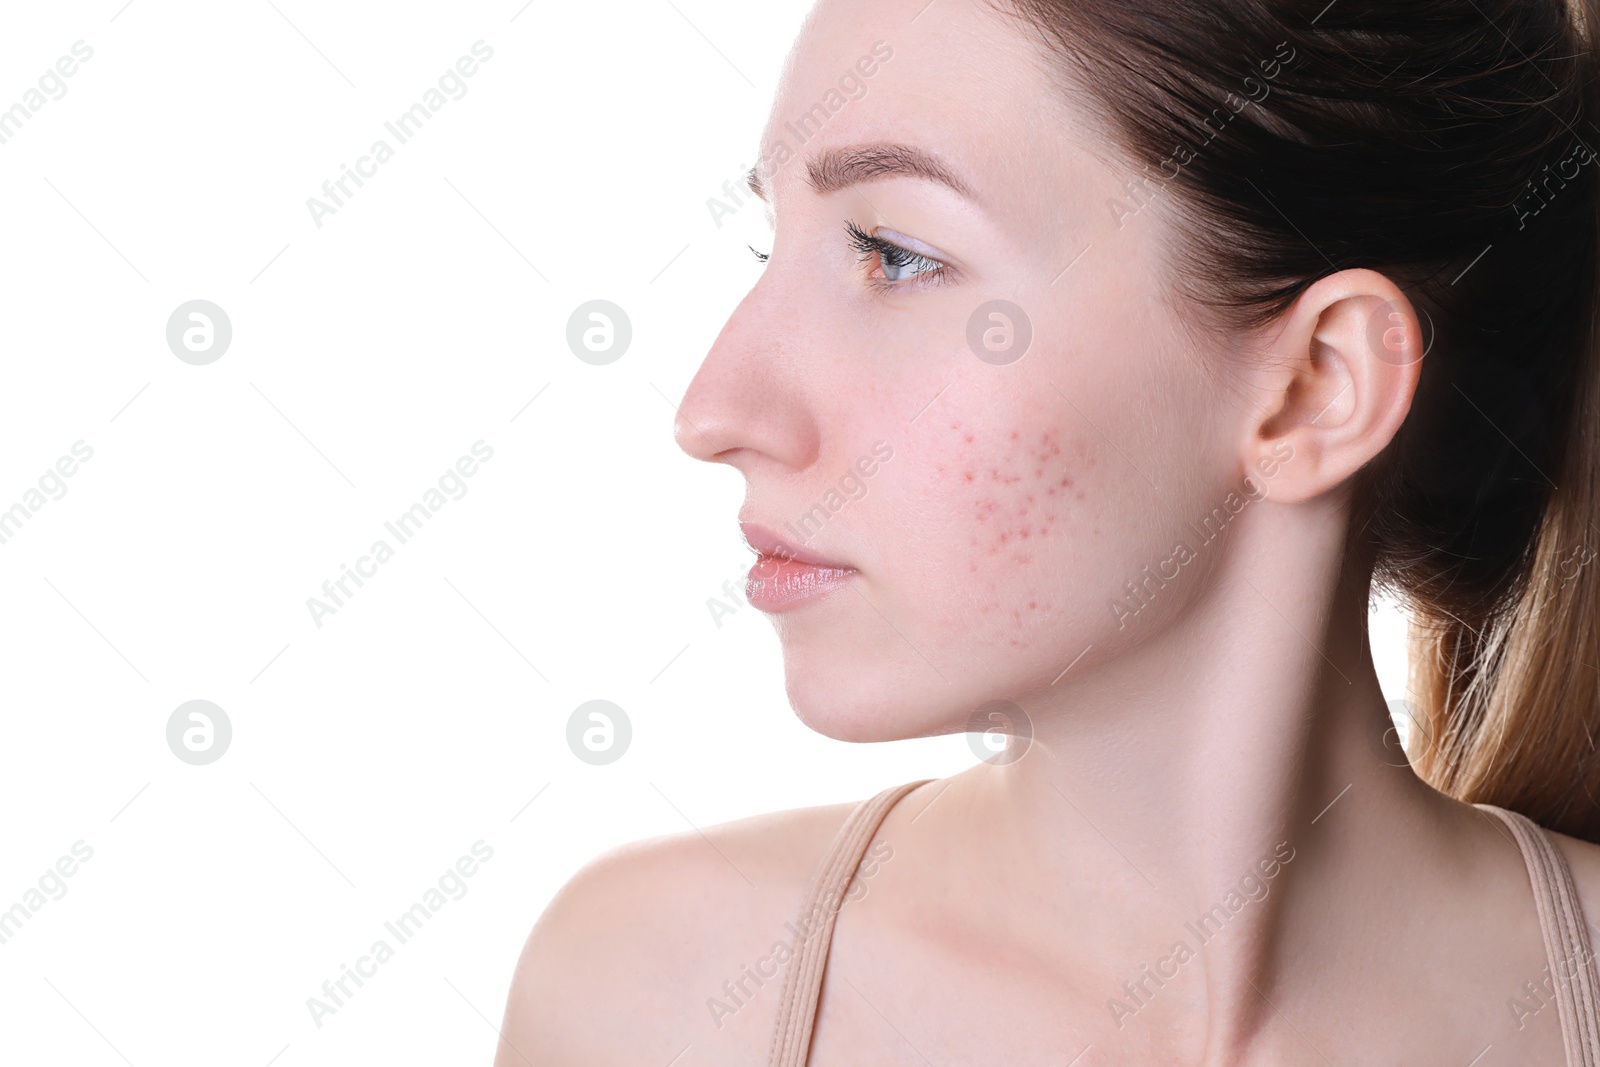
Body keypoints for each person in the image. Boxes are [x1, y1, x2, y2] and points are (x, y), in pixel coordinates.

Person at [494, 0, 1600, 1061]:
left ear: (1317, 386)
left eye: (894, 253)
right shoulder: (653, 1002)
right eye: (768, 248)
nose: (712, 410)